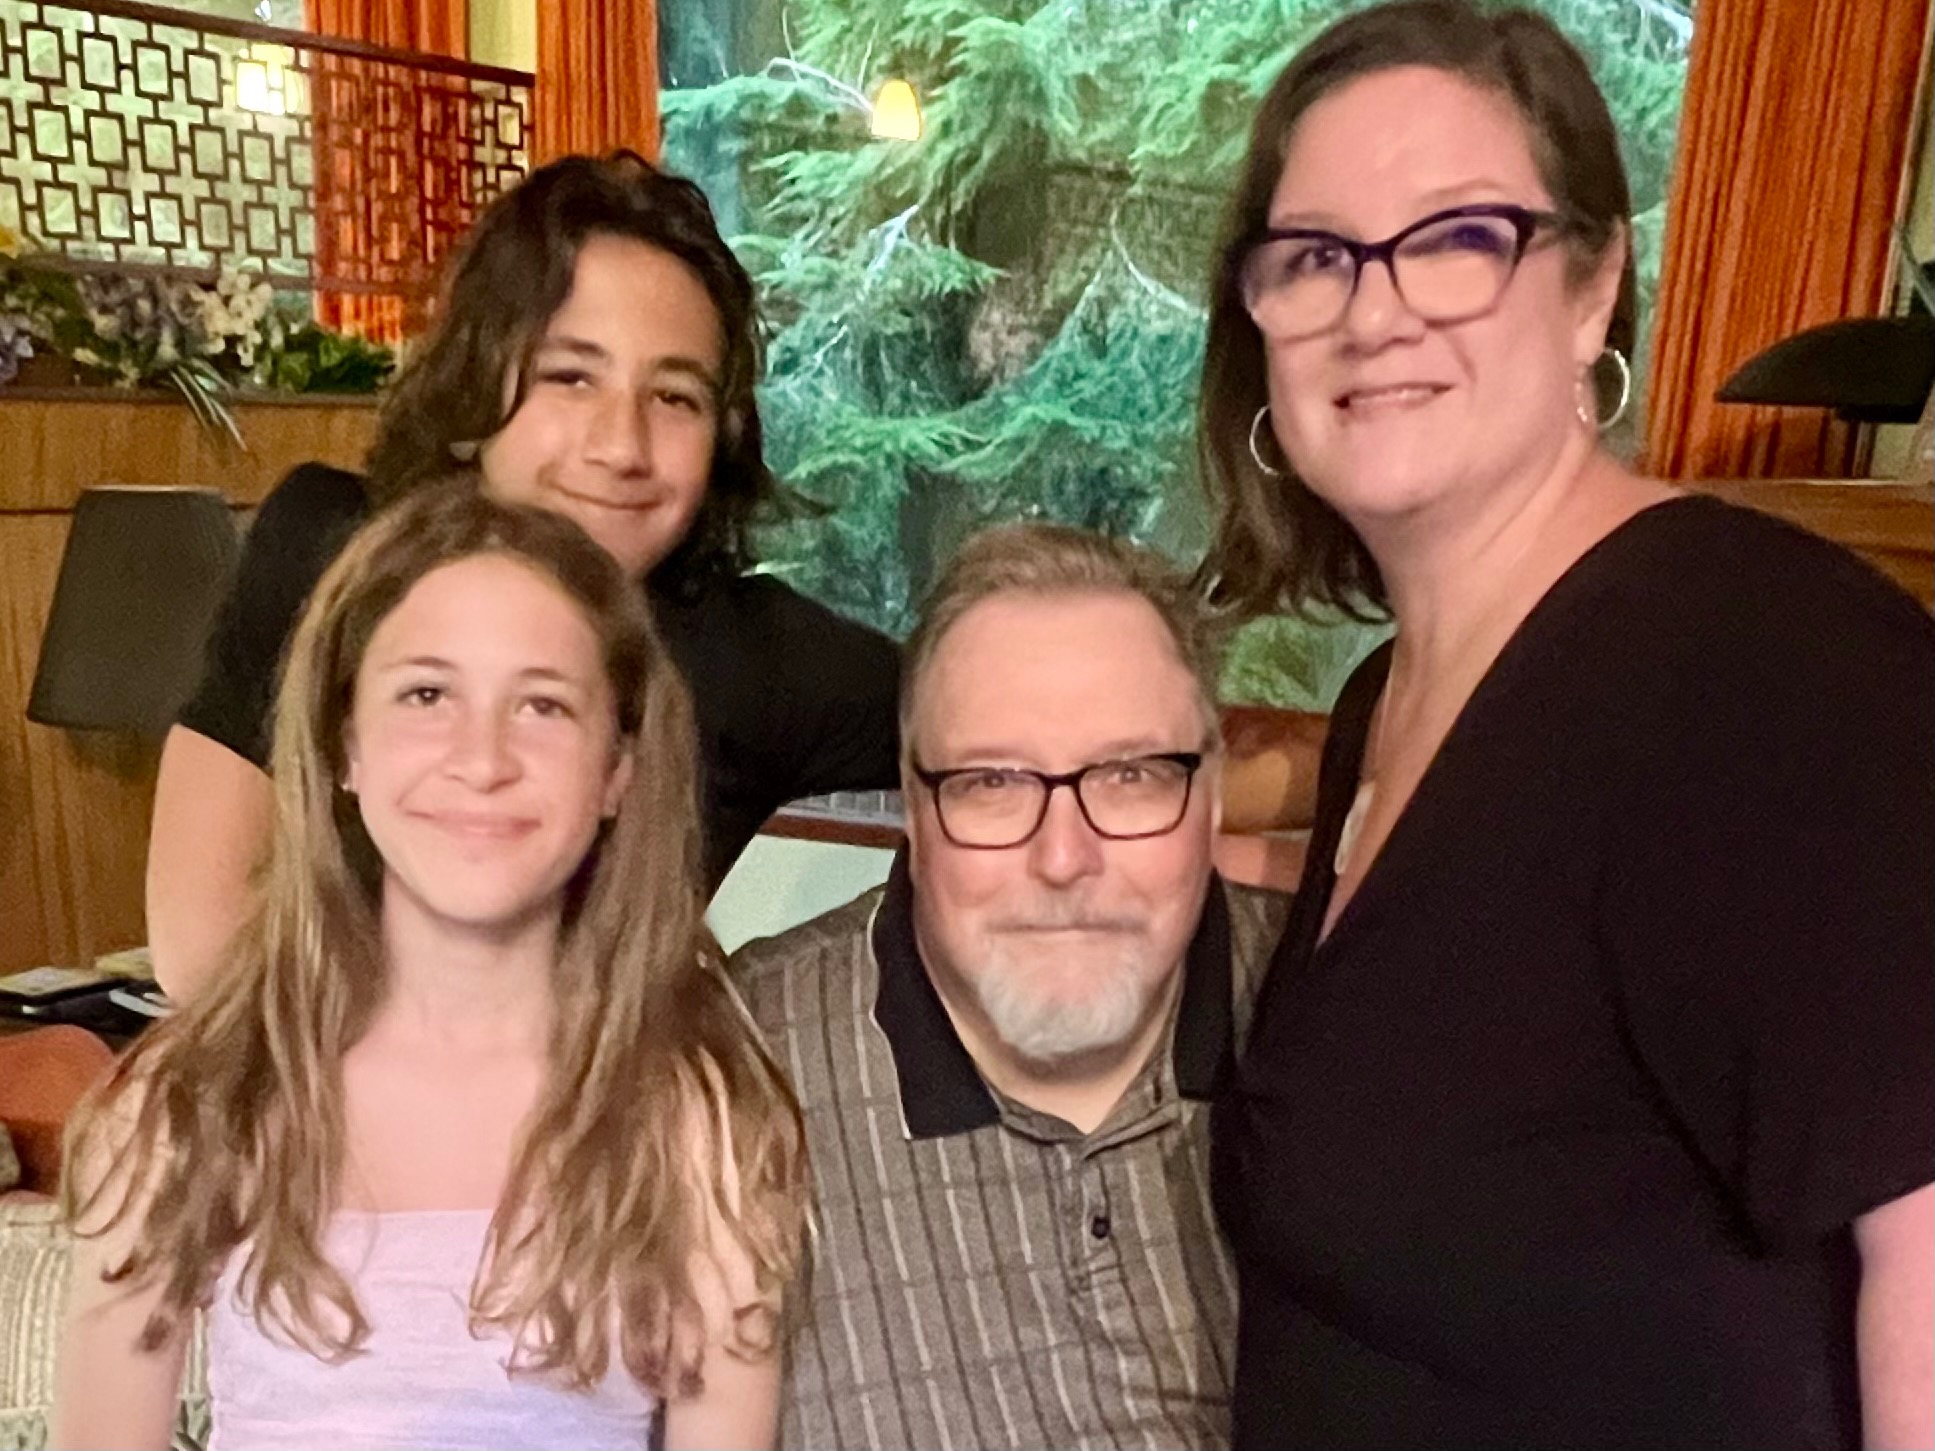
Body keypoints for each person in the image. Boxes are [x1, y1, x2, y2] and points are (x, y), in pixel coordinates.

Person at [1198, 4, 1935, 1448]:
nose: (1372, 309)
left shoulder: (1762, 667)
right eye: (1314, 256)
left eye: (1456, 238)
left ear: (1594, 288)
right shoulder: (1385, 704)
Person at [54, 484, 808, 1451]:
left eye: (542, 704)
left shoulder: (692, 1114)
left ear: (617, 768)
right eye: (425, 695)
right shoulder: (194, 1098)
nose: (481, 759)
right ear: (344, 742)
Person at [149, 151, 902, 1001]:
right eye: (570, 376)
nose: (620, 446)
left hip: (612, 1085)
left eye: (674, 396)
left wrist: (753, 1000)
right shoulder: (327, 553)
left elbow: (992, 720)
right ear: (477, 384)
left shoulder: (755, 656)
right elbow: (200, 943)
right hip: (307, 1073)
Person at [730, 524, 1291, 1449]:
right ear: (912, 804)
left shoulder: (1354, 1015)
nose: (1063, 857)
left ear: (1214, 793)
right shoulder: (731, 1069)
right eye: (991, 781)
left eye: (1131, 774)